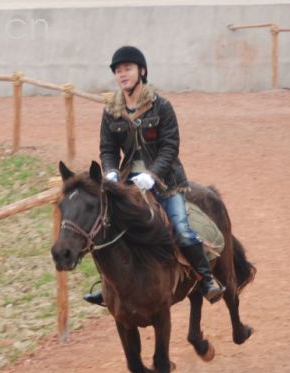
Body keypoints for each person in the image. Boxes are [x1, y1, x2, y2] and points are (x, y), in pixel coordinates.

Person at [83, 45, 225, 306]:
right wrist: (111, 172)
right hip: (128, 182)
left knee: (181, 229)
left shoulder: (162, 106)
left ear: (142, 71)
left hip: (167, 181)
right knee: (105, 228)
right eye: (118, 71)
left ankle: (206, 279)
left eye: (127, 69)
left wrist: (152, 174)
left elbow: (170, 146)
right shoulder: (111, 111)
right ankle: (107, 287)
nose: (122, 74)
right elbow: (108, 148)